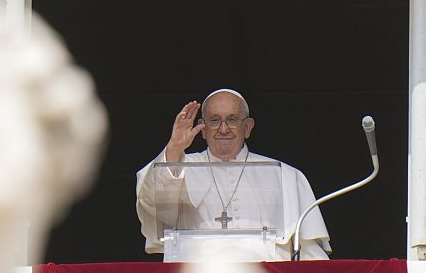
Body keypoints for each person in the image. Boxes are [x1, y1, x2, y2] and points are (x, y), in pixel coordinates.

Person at [136, 89, 331, 260]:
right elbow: (152, 204)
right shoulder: (178, 166)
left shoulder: (286, 176)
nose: (223, 129)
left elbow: (309, 253)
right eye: (214, 120)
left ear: (247, 127)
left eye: (232, 119)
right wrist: (175, 148)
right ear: (202, 129)